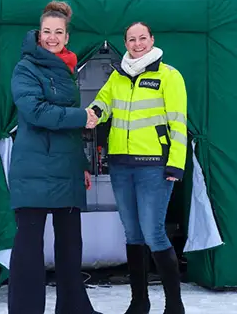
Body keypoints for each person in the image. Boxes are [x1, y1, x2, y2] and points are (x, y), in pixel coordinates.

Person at [8, 0, 102, 314]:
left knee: (71, 247)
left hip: (66, 168)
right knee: (29, 251)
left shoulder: (68, 67)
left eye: (58, 32)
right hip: (34, 168)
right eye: (46, 31)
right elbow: (34, 112)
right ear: (38, 35)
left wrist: (83, 164)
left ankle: (74, 309)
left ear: (67, 36)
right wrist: (81, 117)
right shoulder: (26, 67)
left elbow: (69, 131)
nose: (52, 37)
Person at [88, 21, 188, 314]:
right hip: (120, 165)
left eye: (142, 38)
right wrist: (94, 111)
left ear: (152, 39)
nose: (137, 43)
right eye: (131, 39)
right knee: (132, 234)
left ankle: (174, 305)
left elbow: (178, 123)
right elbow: (103, 102)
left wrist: (176, 164)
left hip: (154, 167)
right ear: (125, 43)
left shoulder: (169, 76)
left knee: (153, 232)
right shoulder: (118, 76)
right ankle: (139, 302)